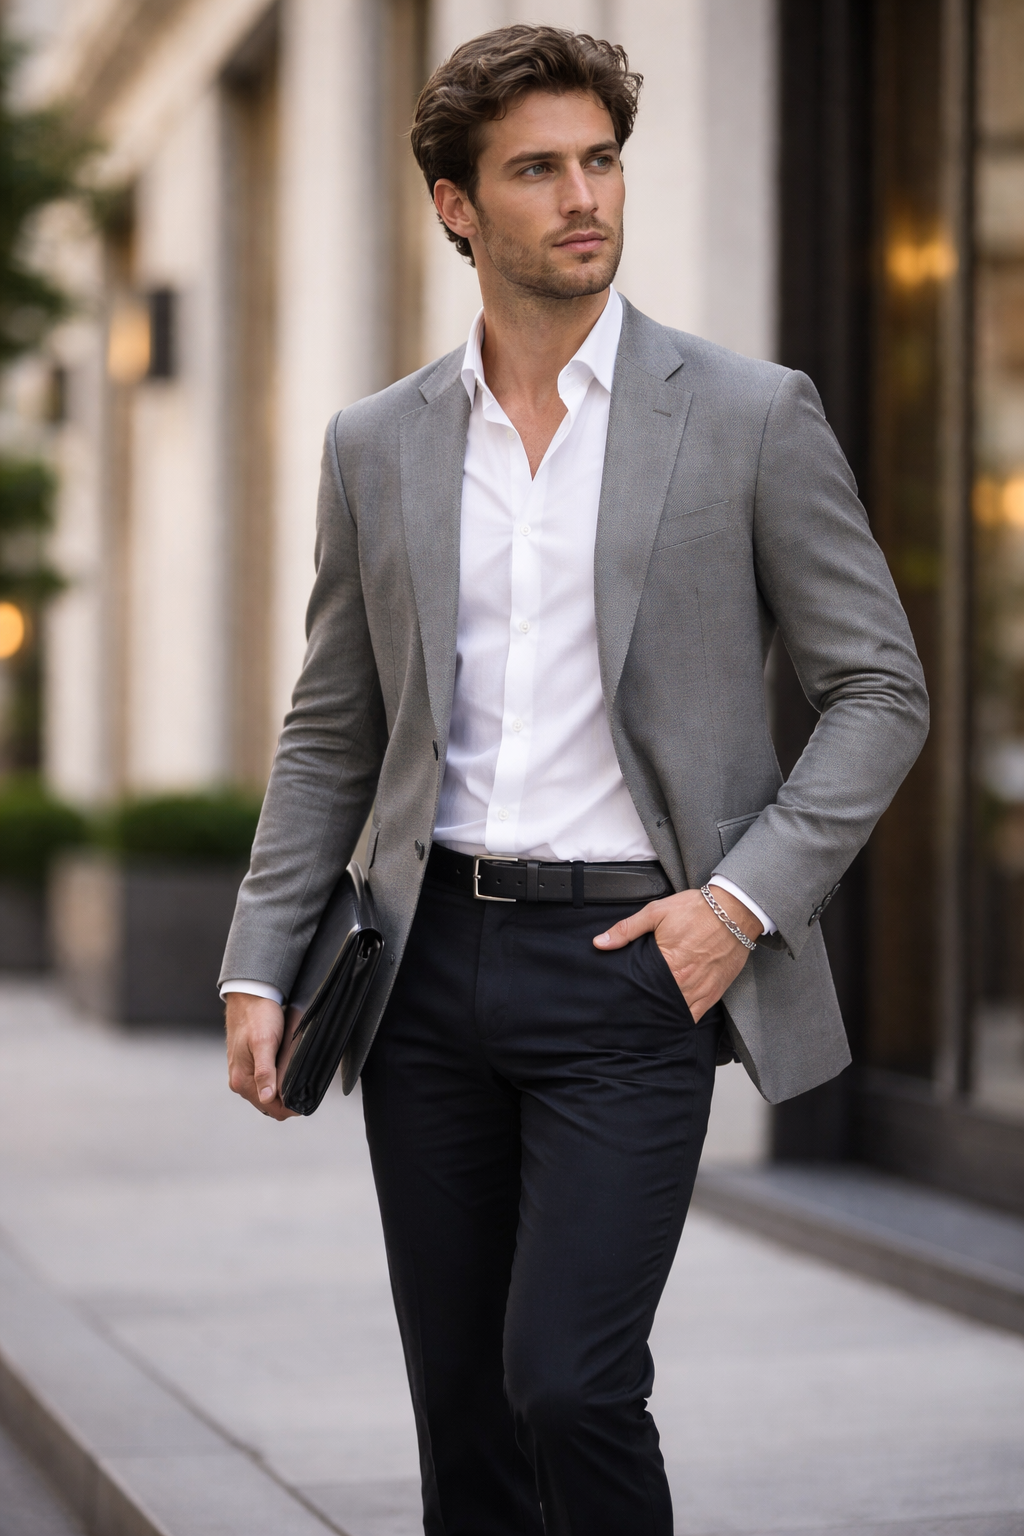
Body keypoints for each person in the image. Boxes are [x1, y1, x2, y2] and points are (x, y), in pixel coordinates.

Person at [220, 24, 927, 1536]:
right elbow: (333, 728)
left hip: (633, 964)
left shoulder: (748, 416)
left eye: (600, 160)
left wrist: (736, 907)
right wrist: (260, 963)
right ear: (456, 205)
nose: (584, 196)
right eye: (537, 170)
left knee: (570, 1383)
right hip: (423, 973)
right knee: (465, 1416)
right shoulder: (376, 446)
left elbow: (881, 690)